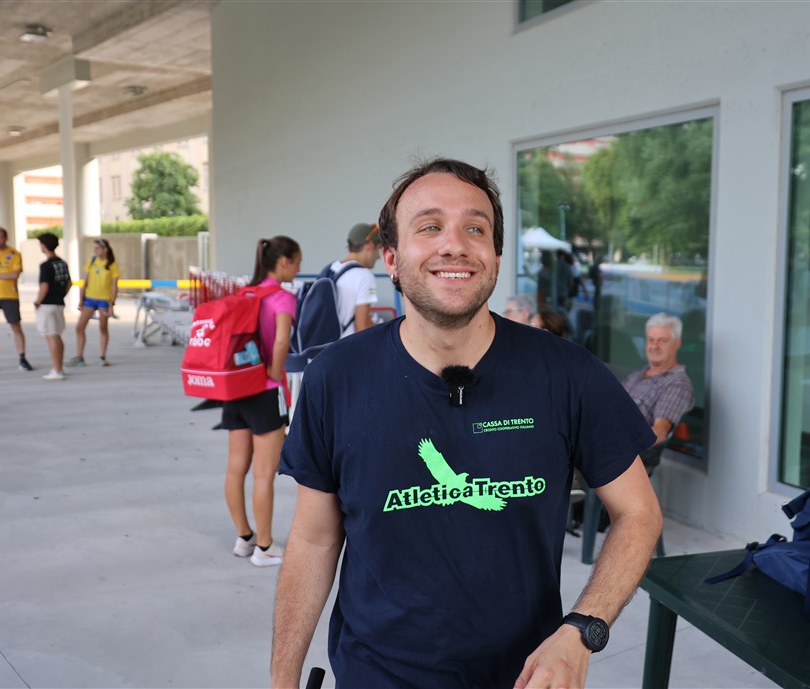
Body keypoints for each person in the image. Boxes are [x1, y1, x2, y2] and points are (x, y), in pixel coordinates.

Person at [272, 158, 662, 689]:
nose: (454, 245)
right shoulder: (336, 378)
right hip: (375, 675)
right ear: (391, 258)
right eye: (430, 227)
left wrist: (581, 629)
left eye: (475, 229)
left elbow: (638, 513)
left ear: (495, 257)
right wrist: (282, 680)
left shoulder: (568, 373)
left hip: (525, 679)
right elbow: (314, 541)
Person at [223, 236, 301, 567]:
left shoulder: (244, 294)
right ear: (283, 262)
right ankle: (265, 547)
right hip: (265, 391)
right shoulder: (283, 297)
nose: (298, 268)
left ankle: (244, 538)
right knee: (264, 474)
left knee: (235, 468)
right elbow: (281, 340)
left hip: (236, 388)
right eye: (297, 262)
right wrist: (272, 371)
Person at [622, 313, 695, 455]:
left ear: (677, 343)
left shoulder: (678, 384)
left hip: (620, 455)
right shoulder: (638, 374)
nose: (654, 346)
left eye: (662, 341)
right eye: (651, 340)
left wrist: (614, 448)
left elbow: (659, 432)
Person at [319, 222, 382, 337]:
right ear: (370, 245)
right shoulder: (364, 276)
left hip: (325, 342)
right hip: (346, 343)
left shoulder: (331, 268)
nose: (378, 257)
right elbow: (362, 326)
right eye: (378, 249)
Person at [69, 238, 121, 367]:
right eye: (94, 248)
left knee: (103, 328)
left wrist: (112, 304)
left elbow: (114, 286)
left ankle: (102, 356)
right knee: (79, 327)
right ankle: (79, 357)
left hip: (104, 300)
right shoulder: (92, 261)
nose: (95, 251)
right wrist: (81, 299)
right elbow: (85, 282)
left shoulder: (112, 265)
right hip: (89, 299)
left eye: (98, 248)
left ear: (105, 250)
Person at [0, 227, 33, 371]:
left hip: (10, 296)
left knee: (16, 327)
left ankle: (22, 358)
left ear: (5, 238)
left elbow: (14, 275)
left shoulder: (14, 254)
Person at [33, 233, 71, 380]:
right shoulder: (63, 263)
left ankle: (57, 370)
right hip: (59, 304)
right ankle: (59, 367)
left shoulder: (46, 266)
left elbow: (44, 286)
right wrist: (61, 295)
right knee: (57, 336)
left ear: (44, 246)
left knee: (51, 336)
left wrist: (37, 302)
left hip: (47, 305)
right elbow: (69, 283)